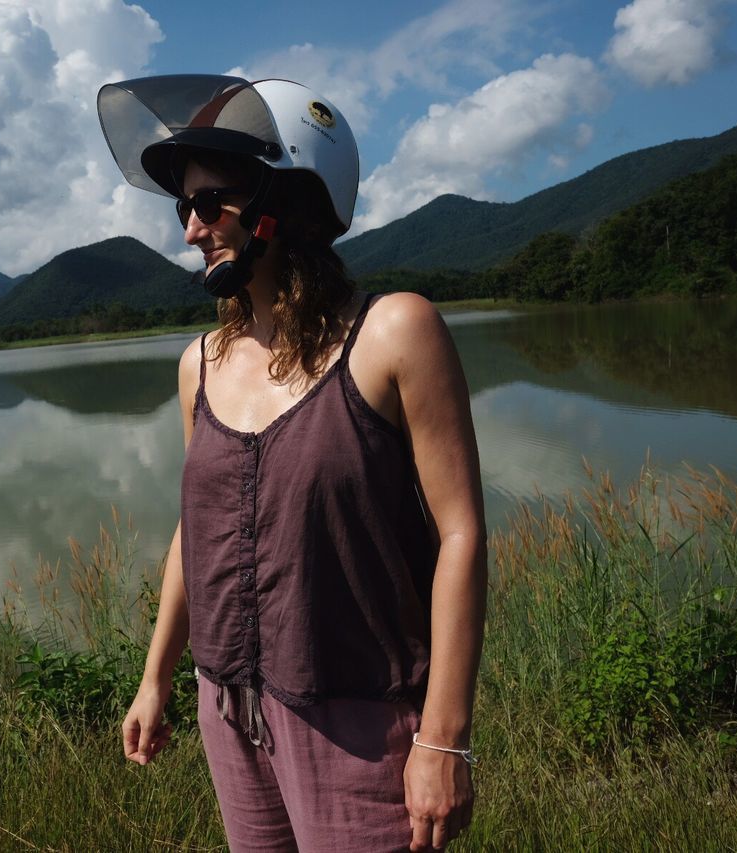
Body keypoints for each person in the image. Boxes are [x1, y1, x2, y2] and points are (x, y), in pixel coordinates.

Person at [98, 76, 487, 852]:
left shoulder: (392, 333)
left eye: (210, 203)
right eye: (184, 207)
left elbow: (461, 535)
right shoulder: (199, 363)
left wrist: (444, 736)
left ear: (288, 192)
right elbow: (194, 531)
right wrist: (156, 677)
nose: (191, 229)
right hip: (227, 710)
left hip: (358, 719)